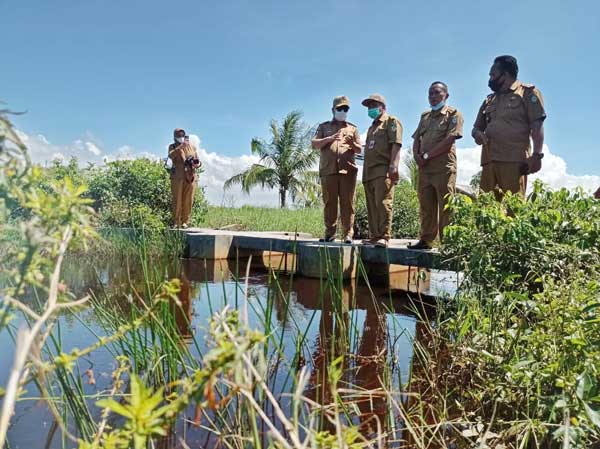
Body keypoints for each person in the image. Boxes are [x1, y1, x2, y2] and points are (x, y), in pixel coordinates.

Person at [473, 55, 547, 199]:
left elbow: (537, 125)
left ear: (504, 75)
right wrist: (477, 134)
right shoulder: (489, 99)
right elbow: (476, 128)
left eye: (492, 75)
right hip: (489, 162)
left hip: (514, 162)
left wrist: (537, 156)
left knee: (513, 211)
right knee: (485, 211)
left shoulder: (527, 93)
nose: (490, 79)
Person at [408, 82, 464, 250]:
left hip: (443, 168)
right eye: (430, 93)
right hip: (425, 170)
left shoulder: (454, 114)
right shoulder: (425, 116)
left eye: (436, 93)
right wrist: (417, 156)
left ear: (446, 95)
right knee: (426, 206)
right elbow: (416, 138)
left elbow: (449, 140)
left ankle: (448, 244)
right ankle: (426, 240)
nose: (432, 96)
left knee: (446, 206)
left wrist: (427, 156)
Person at [311, 96, 362, 243]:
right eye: (340, 108)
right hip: (328, 171)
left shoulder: (353, 128)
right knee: (330, 203)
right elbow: (314, 144)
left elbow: (359, 149)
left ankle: (348, 234)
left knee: (348, 203)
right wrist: (329, 139)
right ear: (333, 110)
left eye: (345, 109)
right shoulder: (324, 127)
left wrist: (352, 143)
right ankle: (330, 234)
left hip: (348, 172)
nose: (342, 111)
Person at [361, 94, 403, 247]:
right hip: (368, 172)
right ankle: (374, 235)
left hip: (382, 169)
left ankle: (384, 236)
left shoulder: (391, 122)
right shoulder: (372, 127)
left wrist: (393, 165)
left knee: (383, 203)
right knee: (372, 205)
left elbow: (396, 144)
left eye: (374, 105)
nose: (371, 108)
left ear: (382, 107)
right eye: (369, 106)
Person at [168, 128, 201, 228]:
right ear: (174, 136)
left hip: (190, 177)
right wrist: (180, 148)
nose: (181, 137)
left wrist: (196, 164)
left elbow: (197, 161)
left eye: (182, 134)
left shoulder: (192, 147)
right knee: (177, 199)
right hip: (177, 177)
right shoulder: (172, 146)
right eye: (178, 135)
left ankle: (185, 222)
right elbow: (170, 155)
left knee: (188, 200)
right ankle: (176, 222)